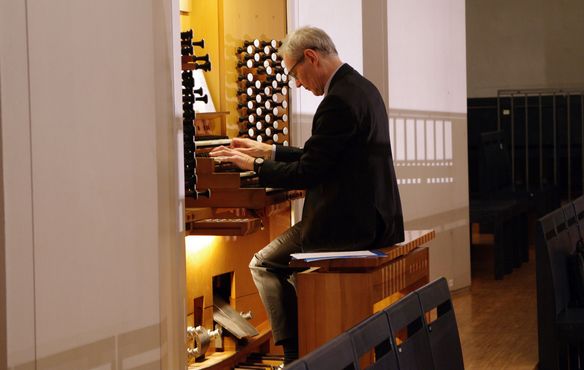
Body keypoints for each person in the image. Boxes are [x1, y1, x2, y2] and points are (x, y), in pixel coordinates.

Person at [210, 26, 404, 363]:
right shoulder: (361, 88)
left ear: (310, 57)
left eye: (293, 73)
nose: (297, 83)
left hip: (347, 226)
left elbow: (310, 171)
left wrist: (253, 166)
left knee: (263, 264)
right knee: (278, 261)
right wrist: (269, 151)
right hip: (374, 217)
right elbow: (325, 155)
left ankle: (296, 357)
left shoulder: (337, 102)